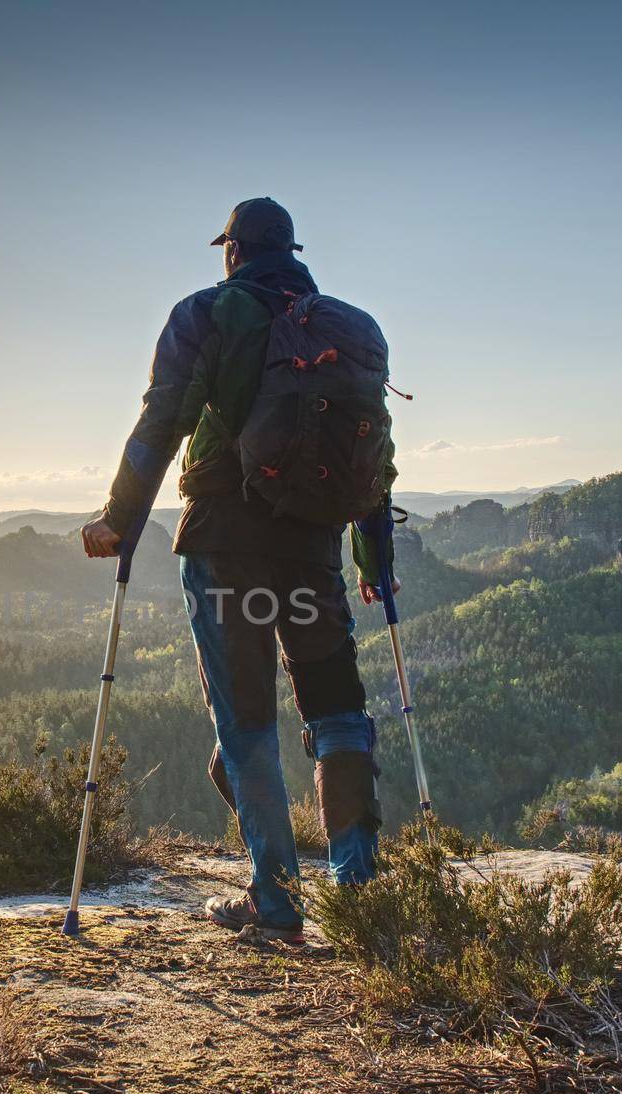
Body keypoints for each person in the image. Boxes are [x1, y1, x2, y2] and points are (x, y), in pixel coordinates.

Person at [81, 198, 398, 945]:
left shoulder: (209, 314)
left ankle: (276, 900)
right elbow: (372, 457)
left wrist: (120, 519)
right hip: (313, 549)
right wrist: (374, 557)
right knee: (335, 708)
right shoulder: (343, 329)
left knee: (246, 719)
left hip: (229, 545)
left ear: (232, 251)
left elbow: (163, 419)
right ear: (290, 251)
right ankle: (358, 891)